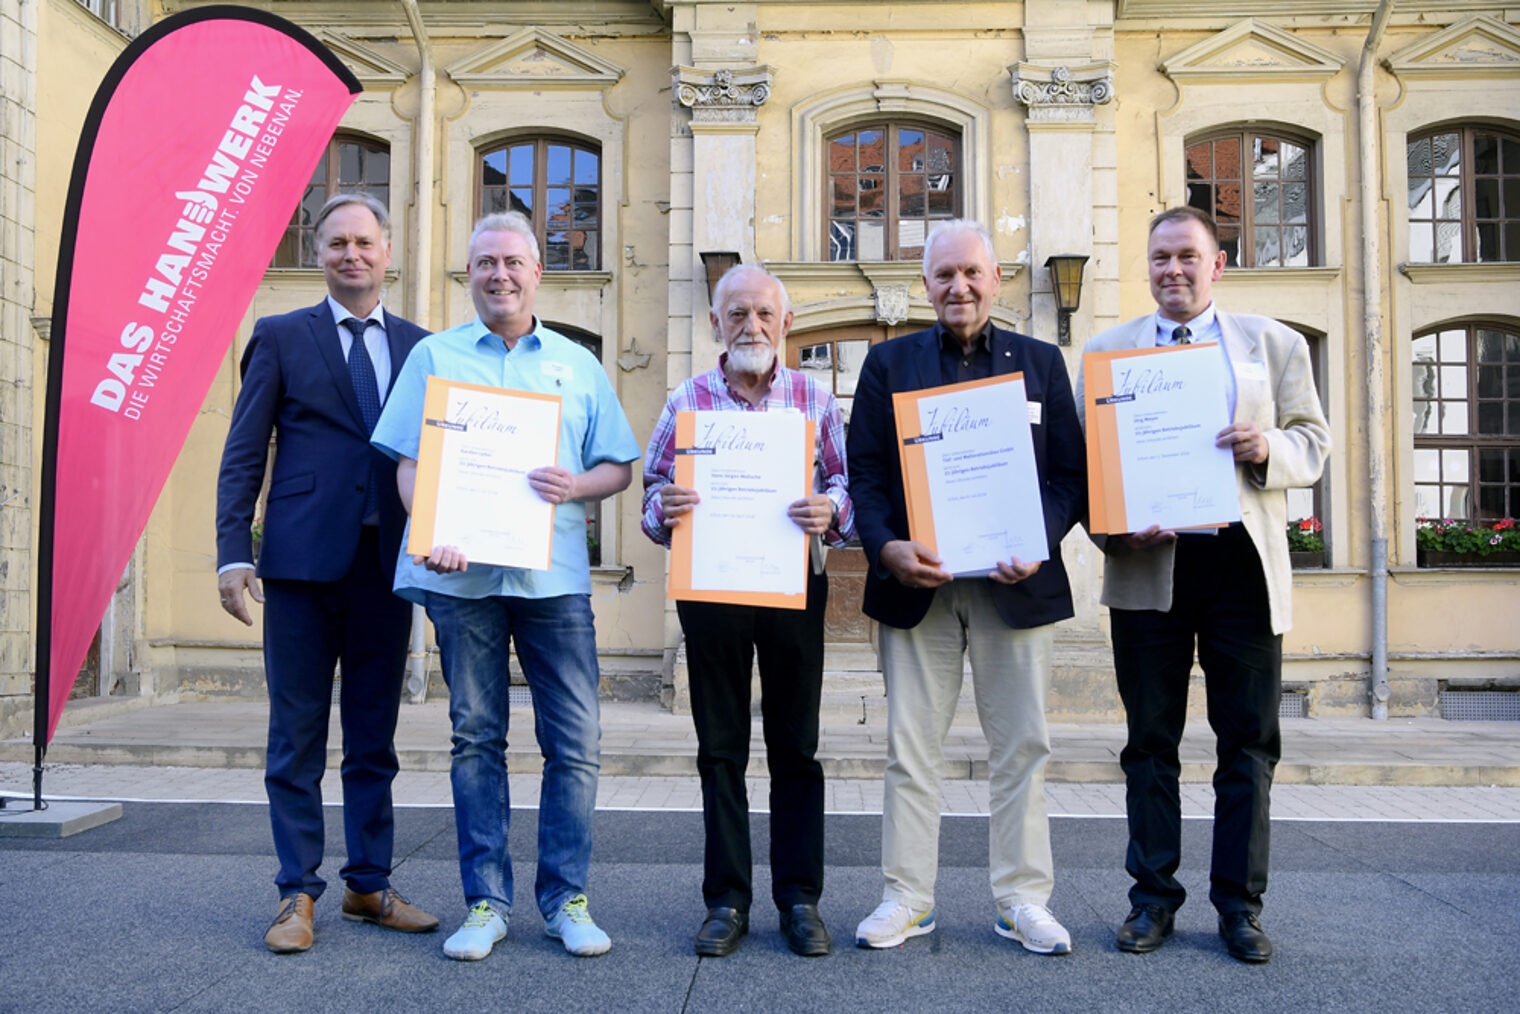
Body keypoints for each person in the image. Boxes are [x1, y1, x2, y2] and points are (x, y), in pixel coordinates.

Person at [370, 211, 640, 961]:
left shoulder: (577, 365)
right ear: (470, 274)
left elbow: (619, 466)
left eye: (513, 262)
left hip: (553, 579)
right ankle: (486, 903)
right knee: (475, 740)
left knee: (576, 743)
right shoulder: (434, 357)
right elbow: (407, 464)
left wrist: (576, 484)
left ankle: (566, 899)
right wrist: (429, 531)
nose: (500, 275)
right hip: (464, 583)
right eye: (485, 262)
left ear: (536, 273)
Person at [1075, 206, 1330, 964]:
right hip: (1150, 569)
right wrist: (1115, 529)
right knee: (1149, 744)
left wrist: (1265, 449)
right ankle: (1151, 900)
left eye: (1188, 256)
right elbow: (1086, 471)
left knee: (1247, 746)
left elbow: (1312, 442)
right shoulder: (1107, 353)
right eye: (1159, 258)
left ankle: (1239, 907)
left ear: (1217, 264)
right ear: (1147, 266)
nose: (1173, 271)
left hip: (1241, 571)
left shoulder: (1271, 343)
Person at [846, 219, 1086, 955]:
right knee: (910, 750)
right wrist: (885, 548)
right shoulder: (888, 364)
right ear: (926, 284)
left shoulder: (1041, 363)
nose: (960, 287)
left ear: (998, 280)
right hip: (919, 586)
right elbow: (867, 476)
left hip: (1016, 586)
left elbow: (1069, 478)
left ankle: (1022, 900)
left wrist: (1036, 539)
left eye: (973, 274)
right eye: (945, 274)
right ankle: (907, 898)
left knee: (1022, 747)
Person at [215, 193, 438, 953]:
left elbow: (441, 460)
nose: (352, 254)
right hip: (303, 567)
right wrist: (232, 550)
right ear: (320, 252)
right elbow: (245, 449)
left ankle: (368, 886)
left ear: (386, 252)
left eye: (364, 242)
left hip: (388, 569)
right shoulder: (280, 336)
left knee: (374, 738)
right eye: (338, 241)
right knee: (297, 736)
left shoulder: (422, 346)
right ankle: (295, 894)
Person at [641, 265, 855, 958]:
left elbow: (848, 485)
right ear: (715, 325)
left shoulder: (814, 399)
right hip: (712, 590)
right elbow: (652, 491)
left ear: (785, 324)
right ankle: (727, 899)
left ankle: (799, 898)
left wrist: (833, 509)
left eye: (764, 314)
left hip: (793, 586)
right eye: (737, 314)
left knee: (797, 749)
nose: (752, 327)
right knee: (720, 750)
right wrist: (663, 507)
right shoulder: (688, 399)